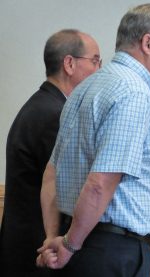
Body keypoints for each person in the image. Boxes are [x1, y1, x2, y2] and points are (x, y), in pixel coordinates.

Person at [37, 4, 150, 277]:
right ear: (148, 43)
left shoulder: (84, 88)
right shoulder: (133, 92)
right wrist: (69, 245)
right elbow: (99, 184)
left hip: (81, 244)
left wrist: (53, 239)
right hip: (110, 252)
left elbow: (50, 174)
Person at [0, 29, 101, 277]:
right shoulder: (54, 114)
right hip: (37, 250)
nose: (100, 70)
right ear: (69, 63)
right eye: (96, 60)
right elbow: (66, 185)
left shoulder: (43, 104)